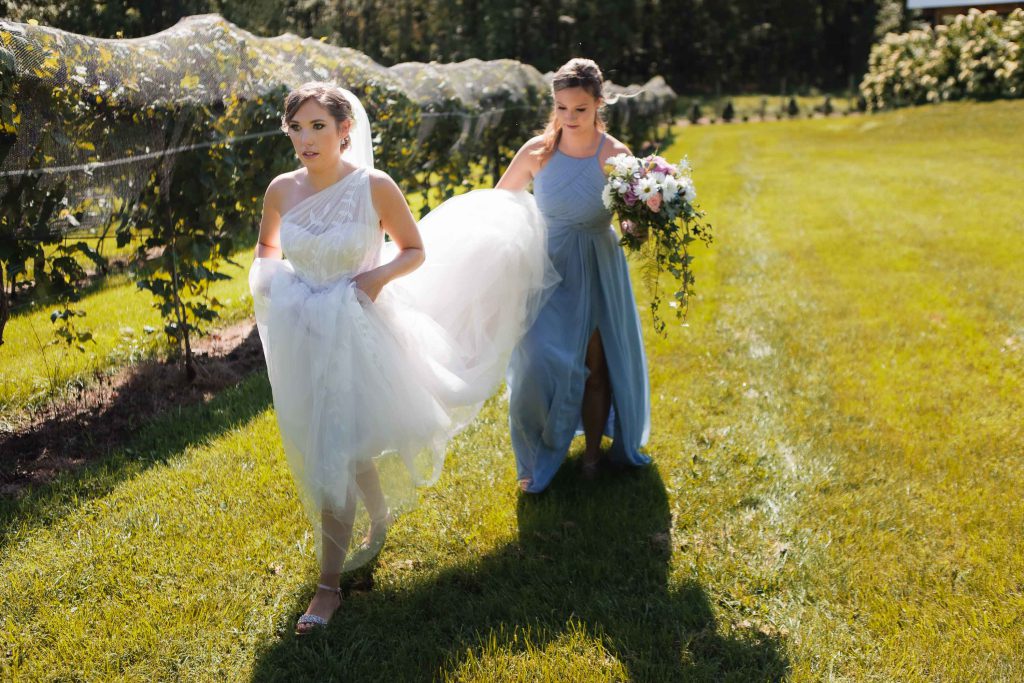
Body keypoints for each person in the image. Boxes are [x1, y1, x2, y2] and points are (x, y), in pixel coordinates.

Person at [249, 83, 555, 634]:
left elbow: (414, 250)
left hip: (360, 325)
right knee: (343, 434)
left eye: (318, 126)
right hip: (306, 330)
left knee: (335, 449)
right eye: (296, 128)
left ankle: (328, 590)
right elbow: (266, 251)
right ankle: (379, 516)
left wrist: (375, 277)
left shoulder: (373, 186)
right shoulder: (281, 190)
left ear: (345, 131)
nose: (305, 139)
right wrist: (280, 288)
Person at [496, 58, 651, 493]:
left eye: (579, 109)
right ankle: (535, 453)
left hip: (598, 263)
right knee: (535, 361)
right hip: (548, 266)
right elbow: (499, 205)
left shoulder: (615, 155)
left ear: (599, 104)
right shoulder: (537, 152)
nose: (569, 117)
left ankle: (594, 457)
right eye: (562, 108)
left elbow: (627, 219)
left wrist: (640, 220)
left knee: (595, 365)